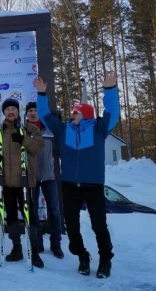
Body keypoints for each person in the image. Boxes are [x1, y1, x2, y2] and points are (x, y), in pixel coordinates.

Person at [34, 72, 119, 278]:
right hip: (70, 185)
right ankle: (82, 255)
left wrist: (109, 90)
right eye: (72, 111)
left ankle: (105, 259)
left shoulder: (99, 130)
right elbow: (44, 115)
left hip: (93, 186)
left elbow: (112, 113)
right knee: (71, 228)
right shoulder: (63, 130)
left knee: (99, 225)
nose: (72, 114)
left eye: (76, 111)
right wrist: (42, 94)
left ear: (86, 114)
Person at [0, 97, 45, 267]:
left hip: (25, 181)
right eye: (8, 109)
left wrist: (24, 140)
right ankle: (17, 247)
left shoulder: (30, 128)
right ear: (4, 112)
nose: (11, 112)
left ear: (18, 111)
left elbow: (38, 147)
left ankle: (34, 250)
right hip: (6, 182)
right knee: (12, 217)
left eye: (14, 109)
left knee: (31, 216)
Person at [25, 101, 65, 259]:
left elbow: (59, 150)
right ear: (26, 114)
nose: (33, 113)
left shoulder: (50, 128)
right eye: (30, 111)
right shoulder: (23, 130)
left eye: (35, 110)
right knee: (33, 212)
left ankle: (56, 244)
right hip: (31, 177)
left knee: (54, 211)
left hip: (50, 176)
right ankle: (37, 242)